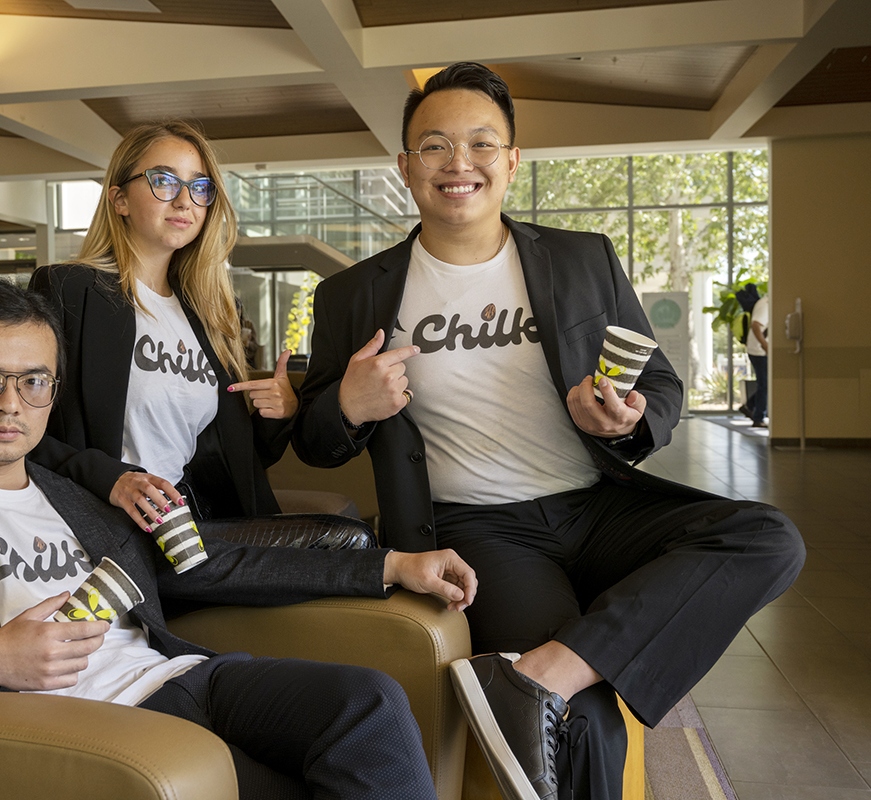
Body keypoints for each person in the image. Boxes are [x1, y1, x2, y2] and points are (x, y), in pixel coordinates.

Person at [292, 62, 805, 800]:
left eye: (480, 143)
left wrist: (630, 418)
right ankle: (555, 683)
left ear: (511, 161)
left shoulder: (580, 259)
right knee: (589, 723)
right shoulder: (352, 293)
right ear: (404, 166)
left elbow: (658, 384)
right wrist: (348, 403)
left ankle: (532, 676)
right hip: (482, 531)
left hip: (596, 505)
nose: (458, 163)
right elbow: (314, 437)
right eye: (434, 146)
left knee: (770, 538)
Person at [0, 278, 478, 800]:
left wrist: (391, 565)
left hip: (177, 680)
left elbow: (208, 566)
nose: (11, 403)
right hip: (85, 726)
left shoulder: (82, 498)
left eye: (34, 381)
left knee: (368, 704)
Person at [29, 121, 294, 528]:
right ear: (119, 199)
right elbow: (20, 430)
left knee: (343, 538)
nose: (185, 200)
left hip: (190, 520)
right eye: (164, 181)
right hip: (104, 521)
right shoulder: (70, 290)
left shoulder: (210, 312)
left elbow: (231, 464)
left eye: (199, 186)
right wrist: (112, 479)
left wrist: (279, 415)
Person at [744, 291, 770, 428]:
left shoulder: (767, 303)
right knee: (764, 384)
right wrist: (765, 346)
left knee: (765, 383)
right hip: (759, 352)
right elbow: (755, 325)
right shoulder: (765, 305)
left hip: (759, 350)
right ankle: (758, 417)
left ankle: (750, 405)